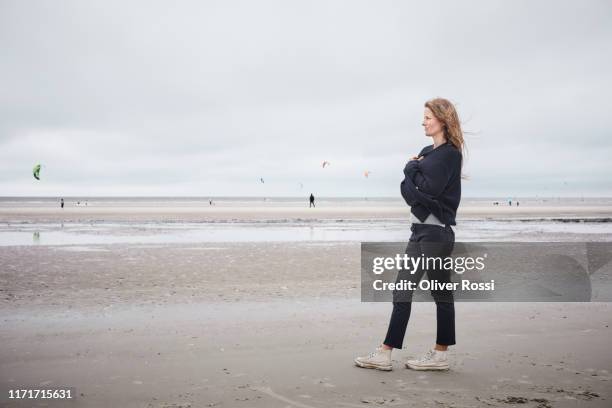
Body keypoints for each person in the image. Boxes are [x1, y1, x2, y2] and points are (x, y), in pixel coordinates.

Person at [355, 97, 466, 371]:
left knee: (441, 293)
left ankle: (440, 355)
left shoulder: (450, 154)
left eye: (428, 117)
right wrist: (413, 178)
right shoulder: (426, 151)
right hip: (418, 231)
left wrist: (410, 170)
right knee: (402, 290)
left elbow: (430, 192)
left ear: (443, 119)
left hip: (436, 234)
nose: (423, 122)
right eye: (424, 117)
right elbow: (408, 193)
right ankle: (385, 353)